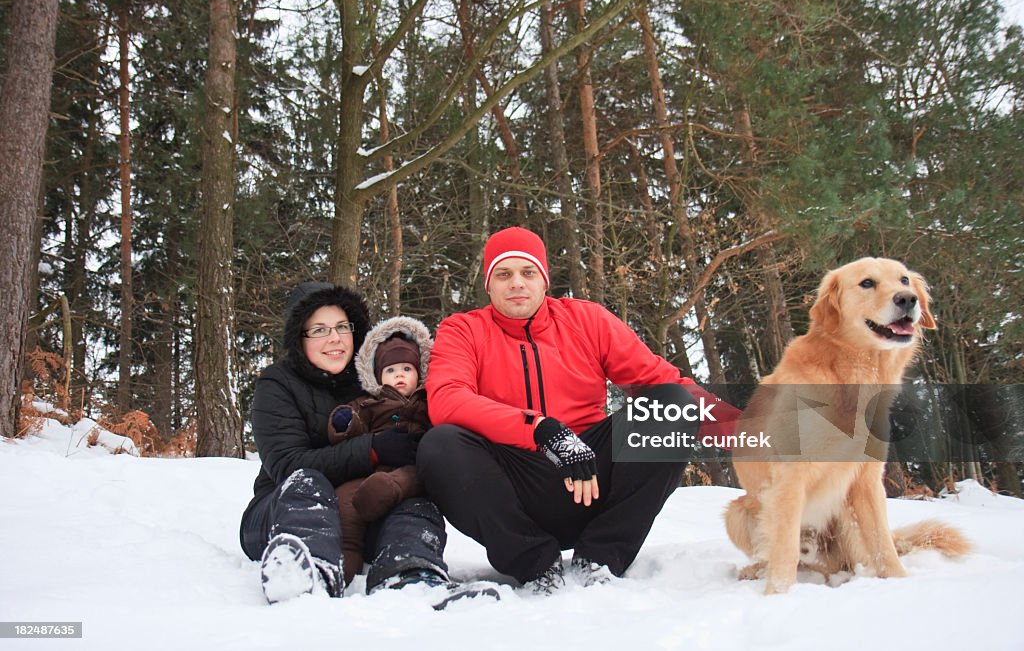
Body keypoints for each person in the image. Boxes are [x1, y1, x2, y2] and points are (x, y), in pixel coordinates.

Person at [417, 227, 741, 594]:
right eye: (504, 275)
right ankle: (535, 564)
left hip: (593, 477)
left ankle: (602, 556)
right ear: (489, 285)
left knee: (675, 405)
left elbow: (661, 381)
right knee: (440, 444)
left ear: (544, 280)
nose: (517, 284)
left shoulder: (587, 320)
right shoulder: (463, 329)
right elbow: (447, 398)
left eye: (528, 272)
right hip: (516, 482)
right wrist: (540, 429)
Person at [239, 282, 449, 603]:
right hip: (282, 512)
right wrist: (373, 449)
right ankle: (310, 570)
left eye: (341, 327)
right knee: (308, 481)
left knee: (413, 501)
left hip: (361, 511)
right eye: (319, 330)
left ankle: (409, 574)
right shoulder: (277, 385)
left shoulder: (374, 380)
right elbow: (286, 464)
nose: (334, 338)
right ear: (300, 338)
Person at [326, 316, 433, 585]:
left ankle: (388, 489)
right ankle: (346, 557)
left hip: (410, 468)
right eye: (391, 370)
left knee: (413, 478)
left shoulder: (426, 401)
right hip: (369, 469)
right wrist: (344, 422)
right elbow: (355, 427)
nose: (399, 375)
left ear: (419, 372)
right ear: (377, 376)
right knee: (346, 501)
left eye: (407, 369)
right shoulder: (369, 403)